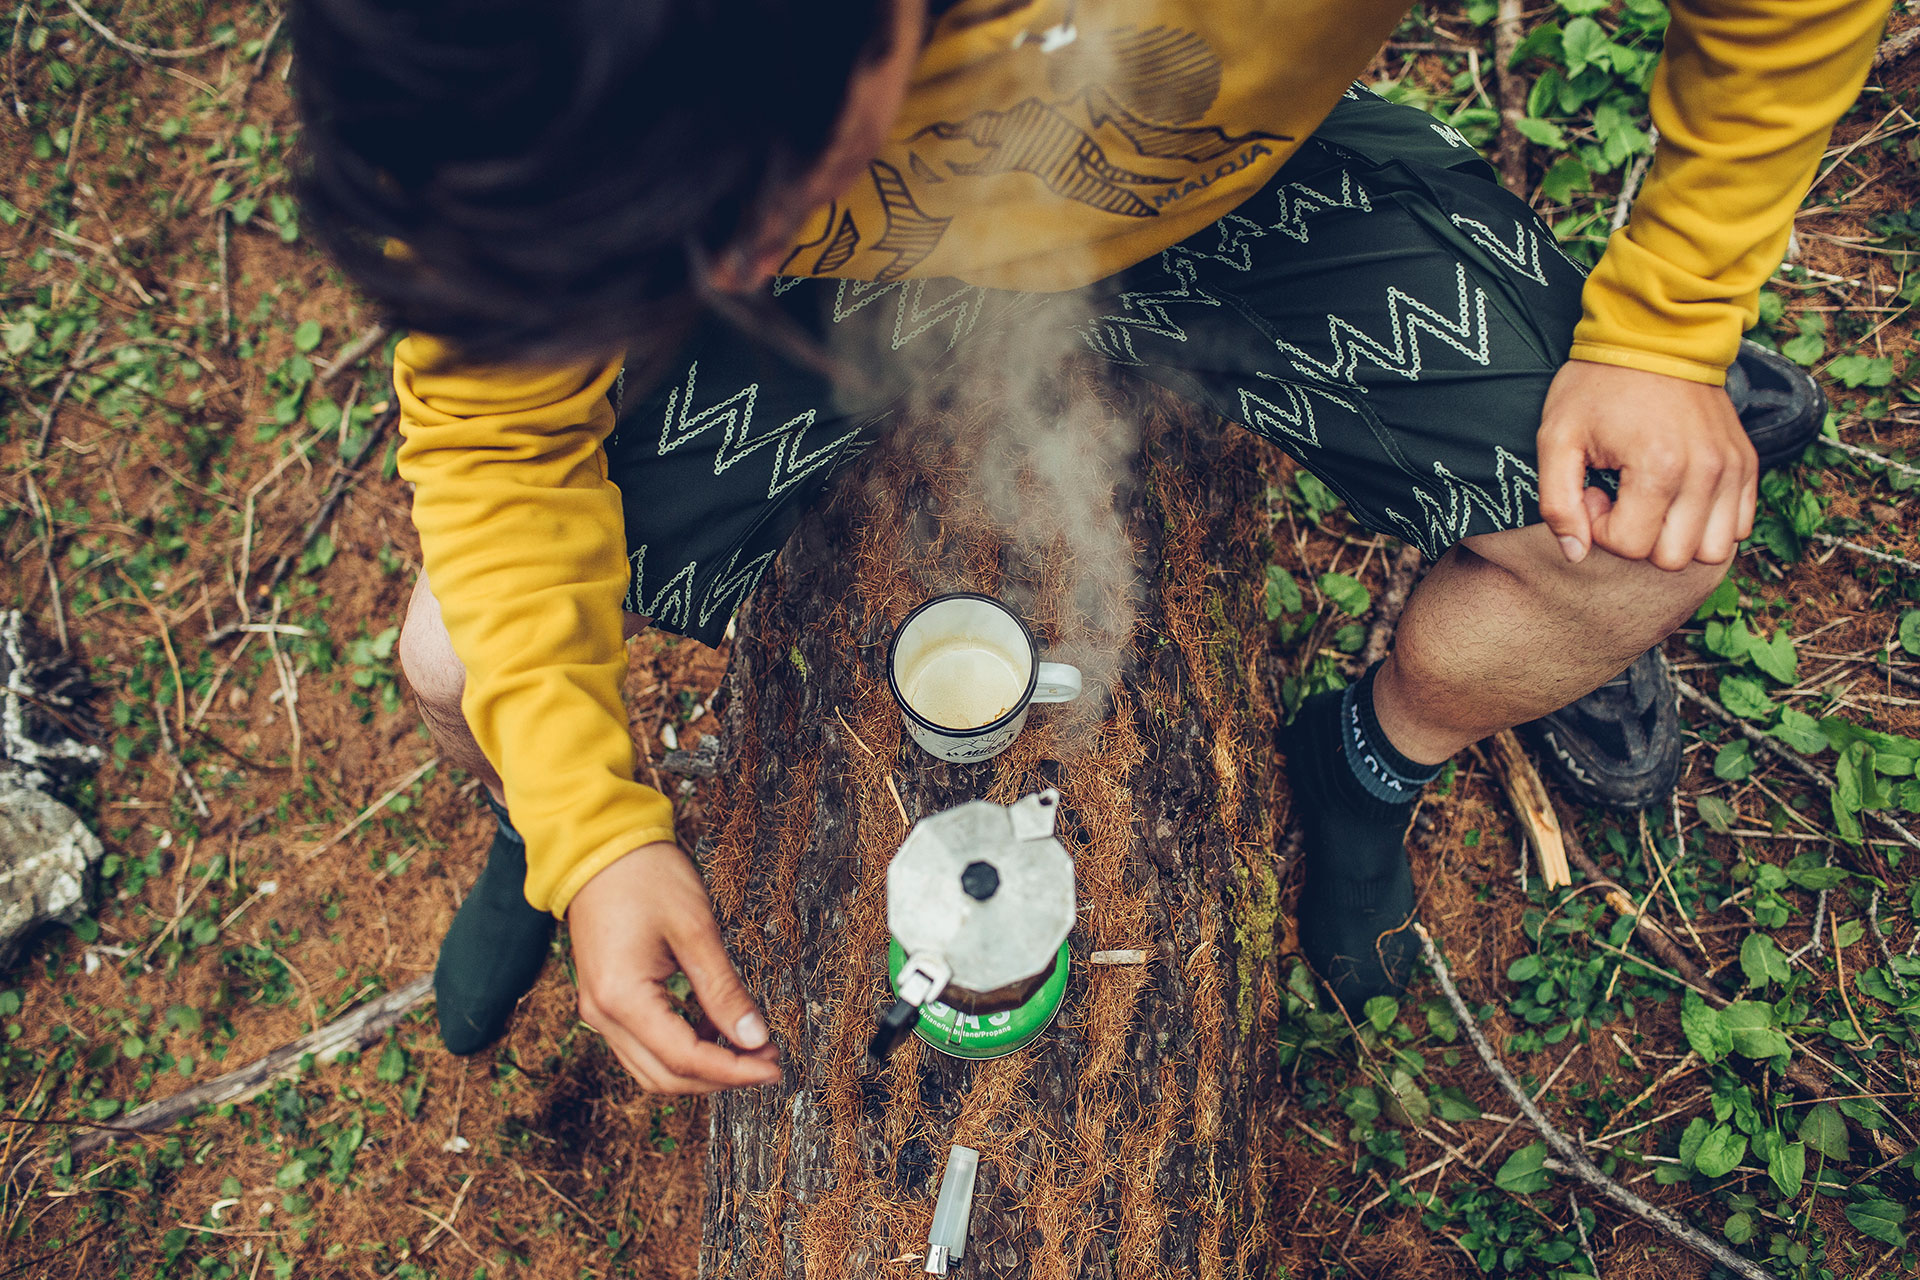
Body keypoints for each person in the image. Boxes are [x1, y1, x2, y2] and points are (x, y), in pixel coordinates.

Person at [290, 0, 1884, 1094]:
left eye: (684, 228)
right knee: (456, 653)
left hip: (1214, 186)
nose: (664, 280)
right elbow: (497, 438)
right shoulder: (507, 63)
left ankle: (1361, 764)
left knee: (1631, 559)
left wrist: (1672, 327)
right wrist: (585, 820)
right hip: (852, 256)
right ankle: (535, 828)